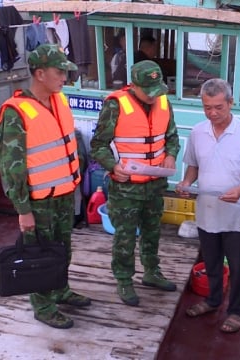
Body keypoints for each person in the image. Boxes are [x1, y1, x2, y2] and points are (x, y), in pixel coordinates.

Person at [0, 44, 91, 329]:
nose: (65, 77)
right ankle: (44, 306)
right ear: (39, 73)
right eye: (59, 71)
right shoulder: (16, 112)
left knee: (62, 249)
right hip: (38, 201)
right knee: (40, 253)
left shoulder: (59, 100)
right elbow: (12, 167)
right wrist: (23, 210)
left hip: (63, 194)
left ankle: (60, 289)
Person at [177, 78, 240, 333]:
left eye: (219, 107)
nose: (213, 113)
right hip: (206, 211)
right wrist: (185, 182)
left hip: (235, 214)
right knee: (212, 262)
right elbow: (193, 166)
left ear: (231, 102)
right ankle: (213, 300)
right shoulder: (197, 132)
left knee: (238, 267)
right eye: (207, 108)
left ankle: (238, 310)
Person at [89, 60, 180, 307]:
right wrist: (112, 166)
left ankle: (151, 271)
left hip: (155, 184)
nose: (153, 97)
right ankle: (124, 279)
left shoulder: (162, 100)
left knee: (152, 231)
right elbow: (97, 145)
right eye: (148, 91)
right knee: (125, 236)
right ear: (134, 85)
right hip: (126, 187)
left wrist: (171, 155)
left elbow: (172, 136)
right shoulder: (115, 105)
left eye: (156, 90)